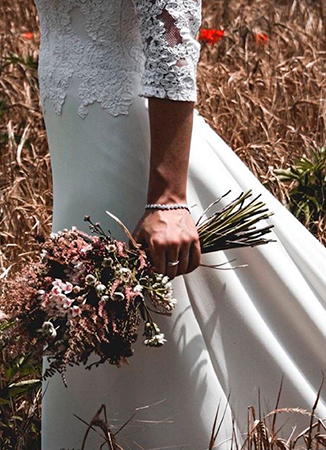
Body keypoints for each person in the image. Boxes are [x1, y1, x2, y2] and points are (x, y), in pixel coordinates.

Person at [33, 0, 326, 449]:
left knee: (139, 318)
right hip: (78, 141)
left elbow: (173, 30)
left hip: (130, 148)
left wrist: (168, 198)